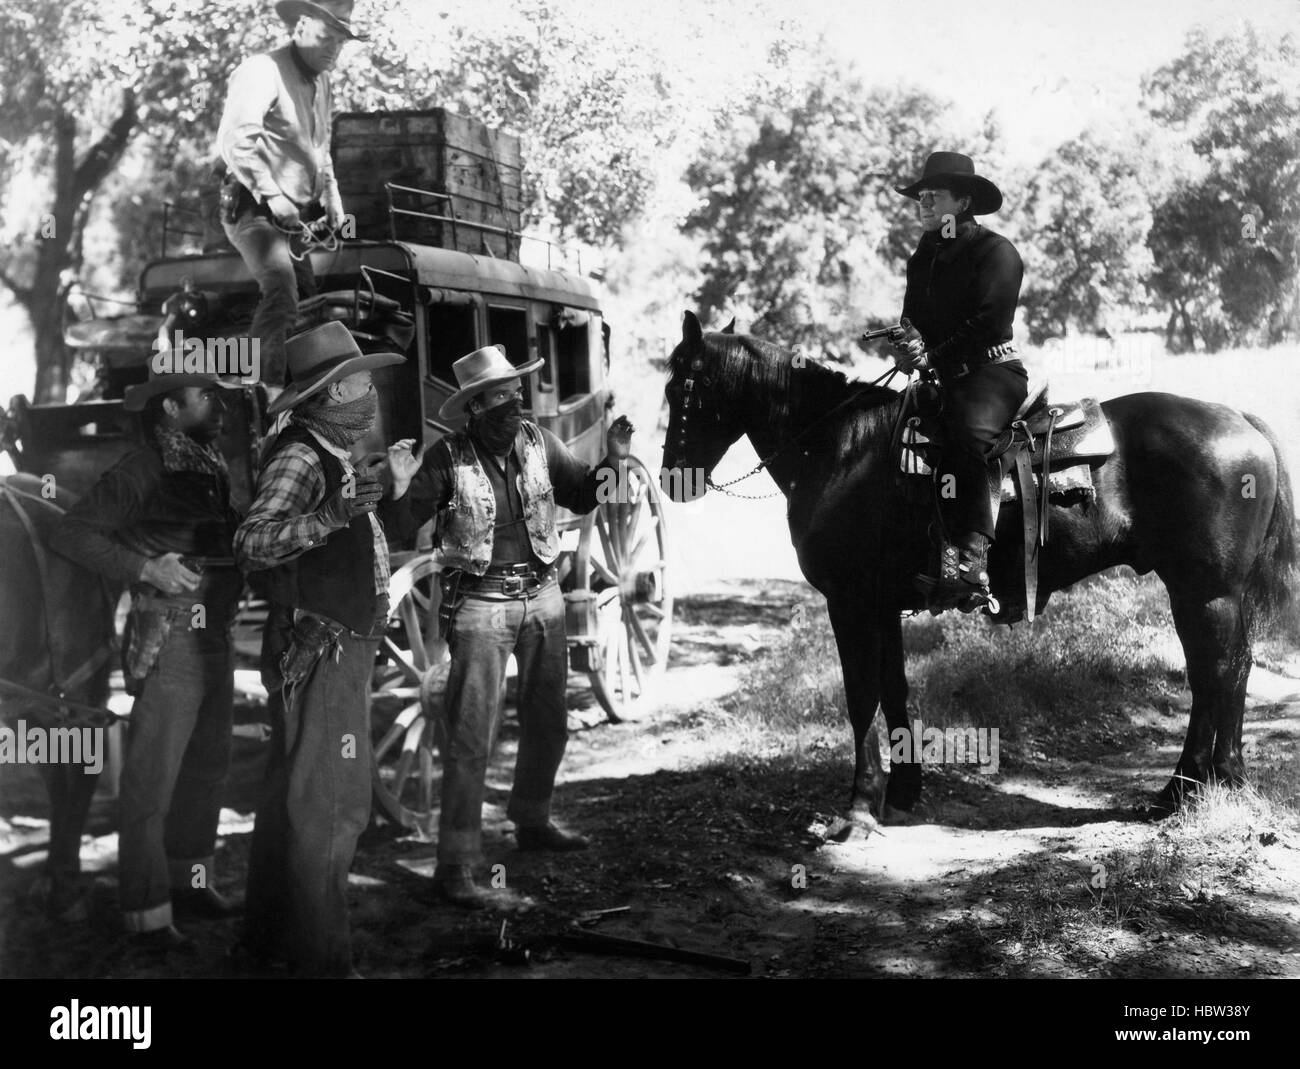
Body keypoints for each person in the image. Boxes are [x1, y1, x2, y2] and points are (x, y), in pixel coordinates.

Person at [392, 345, 633, 909]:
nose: (513, 409)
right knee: (472, 737)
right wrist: (399, 487)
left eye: (515, 398)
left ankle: (532, 818)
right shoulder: (445, 459)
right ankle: (455, 866)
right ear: (474, 409)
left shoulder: (540, 443)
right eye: (499, 402)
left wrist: (614, 459)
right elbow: (402, 525)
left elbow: (582, 494)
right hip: (480, 606)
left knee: (549, 720)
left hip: (543, 596)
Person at [233, 321, 411, 977]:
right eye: (359, 381)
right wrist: (332, 516)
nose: (370, 393)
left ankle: (271, 941)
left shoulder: (330, 452)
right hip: (324, 645)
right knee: (331, 806)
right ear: (331, 394)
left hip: (336, 642)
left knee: (301, 797)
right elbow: (252, 543)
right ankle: (324, 962)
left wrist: (384, 486)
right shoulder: (302, 455)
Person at [48, 368, 243, 951]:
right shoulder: (142, 467)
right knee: (150, 783)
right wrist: (144, 568)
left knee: (207, 769)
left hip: (215, 634)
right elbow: (73, 533)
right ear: (168, 409)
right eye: (204, 396)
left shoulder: (208, 466)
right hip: (171, 637)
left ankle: (189, 884)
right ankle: (146, 913)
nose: (218, 405)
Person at [888, 151, 1028, 608]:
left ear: (964, 201)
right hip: (943, 378)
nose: (924, 203)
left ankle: (971, 561)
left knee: (967, 437)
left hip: (992, 374)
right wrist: (908, 344)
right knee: (888, 434)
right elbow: (913, 320)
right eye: (920, 196)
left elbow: (988, 322)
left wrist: (932, 353)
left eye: (934, 196)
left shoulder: (996, 251)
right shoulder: (921, 257)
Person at [215, 0, 366, 387]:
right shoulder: (261, 71)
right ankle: (261, 397)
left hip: (292, 215)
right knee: (282, 291)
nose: (334, 49)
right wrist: (272, 195)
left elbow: (320, 147)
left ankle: (305, 397)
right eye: (327, 37)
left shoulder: (322, 82)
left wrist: (332, 197)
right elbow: (236, 140)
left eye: (340, 42)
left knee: (308, 303)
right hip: (252, 209)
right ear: (300, 27)